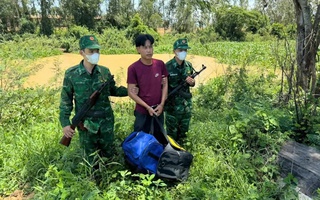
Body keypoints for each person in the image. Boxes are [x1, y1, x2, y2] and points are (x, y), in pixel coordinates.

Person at [59, 35, 128, 164]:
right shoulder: (71, 74)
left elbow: (113, 90)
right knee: (90, 160)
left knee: (109, 156)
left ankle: (108, 180)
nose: (95, 54)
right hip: (86, 124)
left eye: (97, 51)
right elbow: (66, 100)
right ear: (82, 52)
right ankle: (93, 180)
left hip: (106, 121)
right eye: (91, 51)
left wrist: (131, 91)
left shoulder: (104, 72)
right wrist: (65, 123)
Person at [127, 34, 168, 143]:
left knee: (159, 138)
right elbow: (131, 93)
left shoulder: (160, 64)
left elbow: (165, 85)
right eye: (145, 47)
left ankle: (159, 158)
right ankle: (136, 159)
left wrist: (162, 104)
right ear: (138, 49)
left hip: (158, 110)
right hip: (142, 111)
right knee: (140, 139)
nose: (149, 50)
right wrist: (147, 107)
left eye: (150, 47)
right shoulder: (133, 68)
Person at [165, 38, 196, 142]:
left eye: (185, 50)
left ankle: (183, 154)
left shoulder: (189, 66)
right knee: (171, 136)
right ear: (174, 51)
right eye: (180, 50)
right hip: (172, 107)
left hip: (186, 106)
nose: (183, 52)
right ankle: (172, 154)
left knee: (184, 134)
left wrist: (192, 82)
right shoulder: (167, 67)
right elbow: (162, 87)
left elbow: (192, 83)